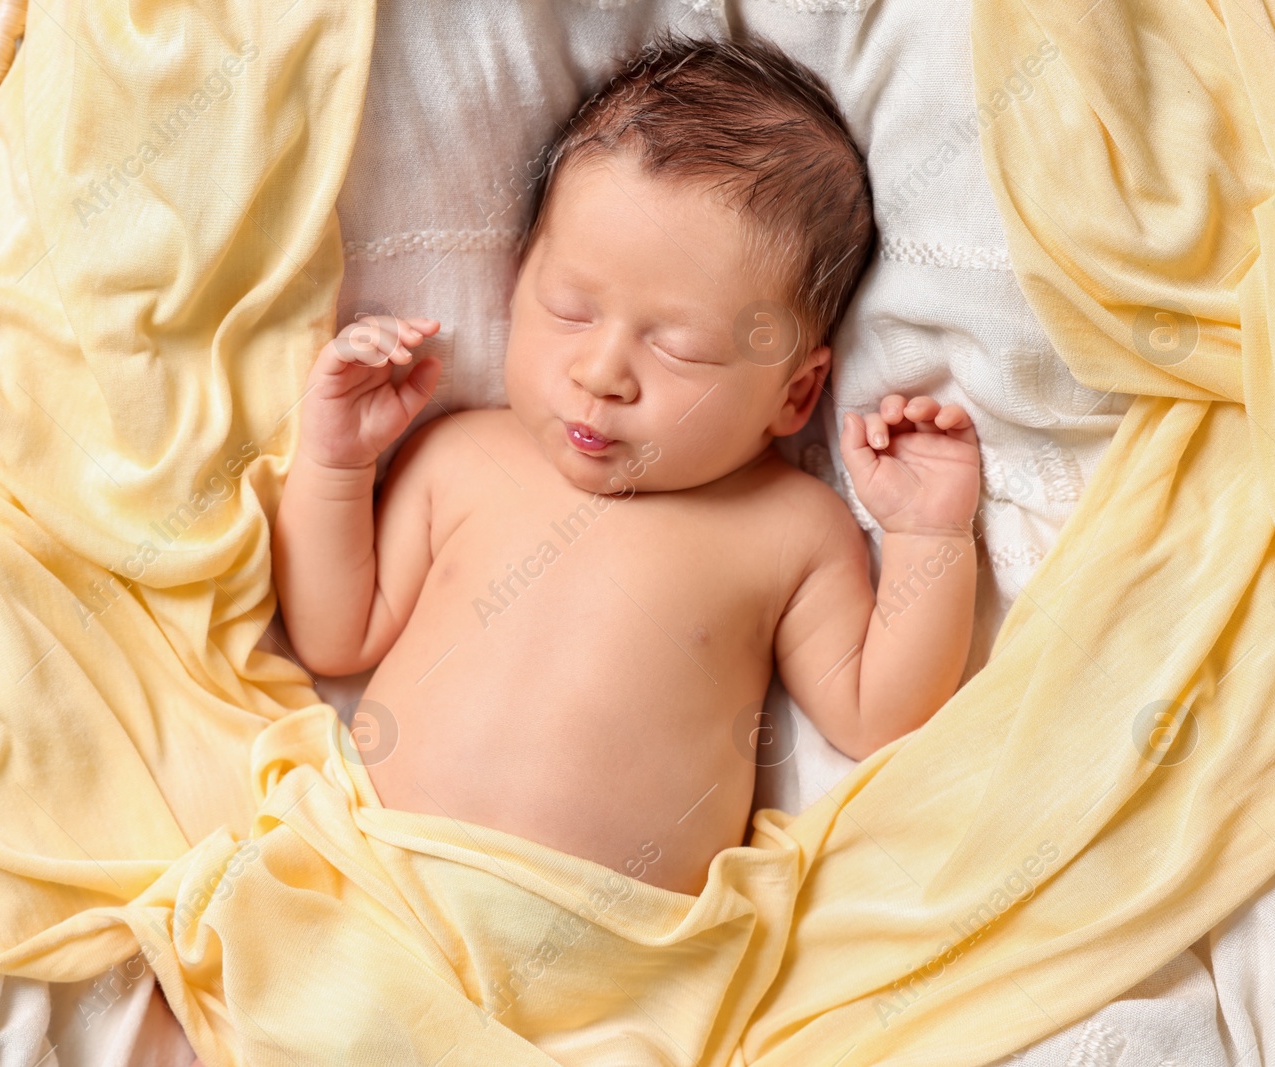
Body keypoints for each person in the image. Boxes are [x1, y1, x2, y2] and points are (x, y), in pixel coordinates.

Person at [273, 32, 980, 897]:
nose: (600, 373)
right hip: (379, 879)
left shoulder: (789, 528)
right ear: (514, 282)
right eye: (569, 310)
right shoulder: (461, 455)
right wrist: (337, 464)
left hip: (613, 952)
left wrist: (928, 531)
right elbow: (333, 634)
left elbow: (881, 716)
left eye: (679, 349)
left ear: (795, 396)